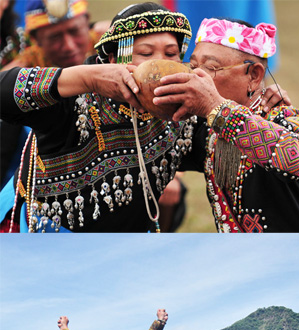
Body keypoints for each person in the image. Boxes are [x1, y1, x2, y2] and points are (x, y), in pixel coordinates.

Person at [0, 2, 195, 233]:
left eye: (171, 54)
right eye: (145, 54)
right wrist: (88, 79)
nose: (159, 63)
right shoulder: (76, 98)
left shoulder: (185, 108)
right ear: (113, 59)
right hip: (50, 243)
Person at [152, 16, 299, 232]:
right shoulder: (207, 131)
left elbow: (295, 157)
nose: (198, 76)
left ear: (254, 76)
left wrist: (214, 107)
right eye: (194, 66)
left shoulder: (293, 121)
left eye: (211, 67)